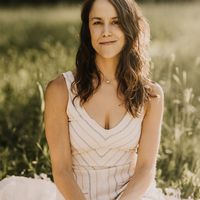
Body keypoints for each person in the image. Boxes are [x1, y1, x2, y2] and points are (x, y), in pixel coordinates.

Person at [0, 0, 181, 200]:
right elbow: (62, 170)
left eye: (116, 22)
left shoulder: (151, 95)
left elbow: (146, 168)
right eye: (97, 22)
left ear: (130, 27)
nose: (106, 31)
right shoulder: (60, 91)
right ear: (88, 30)